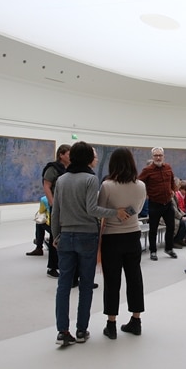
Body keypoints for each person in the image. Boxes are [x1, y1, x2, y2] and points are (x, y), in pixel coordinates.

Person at [52, 141, 129, 346]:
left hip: (66, 236)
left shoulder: (61, 180)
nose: (96, 159)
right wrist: (116, 212)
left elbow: (55, 212)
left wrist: (55, 236)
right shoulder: (90, 179)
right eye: (93, 156)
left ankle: (62, 331)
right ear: (86, 158)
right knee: (86, 285)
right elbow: (92, 209)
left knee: (64, 285)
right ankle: (81, 330)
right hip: (87, 236)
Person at [98, 147, 147, 339]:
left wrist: (116, 213)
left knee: (112, 280)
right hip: (133, 234)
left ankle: (111, 324)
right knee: (135, 278)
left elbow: (99, 209)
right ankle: (136, 320)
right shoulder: (141, 185)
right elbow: (139, 208)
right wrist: (126, 214)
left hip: (112, 236)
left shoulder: (107, 186)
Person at [26, 144, 70, 276]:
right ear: (61, 155)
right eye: (68, 154)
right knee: (55, 235)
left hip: (67, 206)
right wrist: (52, 203)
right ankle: (52, 267)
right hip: (56, 206)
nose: (70, 156)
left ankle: (64, 264)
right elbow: (46, 186)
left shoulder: (70, 169)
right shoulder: (53, 168)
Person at [138, 147, 178, 261]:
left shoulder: (168, 168)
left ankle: (169, 248)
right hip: (155, 203)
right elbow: (139, 182)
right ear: (152, 157)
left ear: (163, 156)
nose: (158, 157)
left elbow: (172, 181)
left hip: (168, 202)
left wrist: (173, 190)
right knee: (153, 229)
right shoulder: (148, 170)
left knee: (171, 226)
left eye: (160, 155)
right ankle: (153, 251)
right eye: (156, 155)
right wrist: (145, 194)